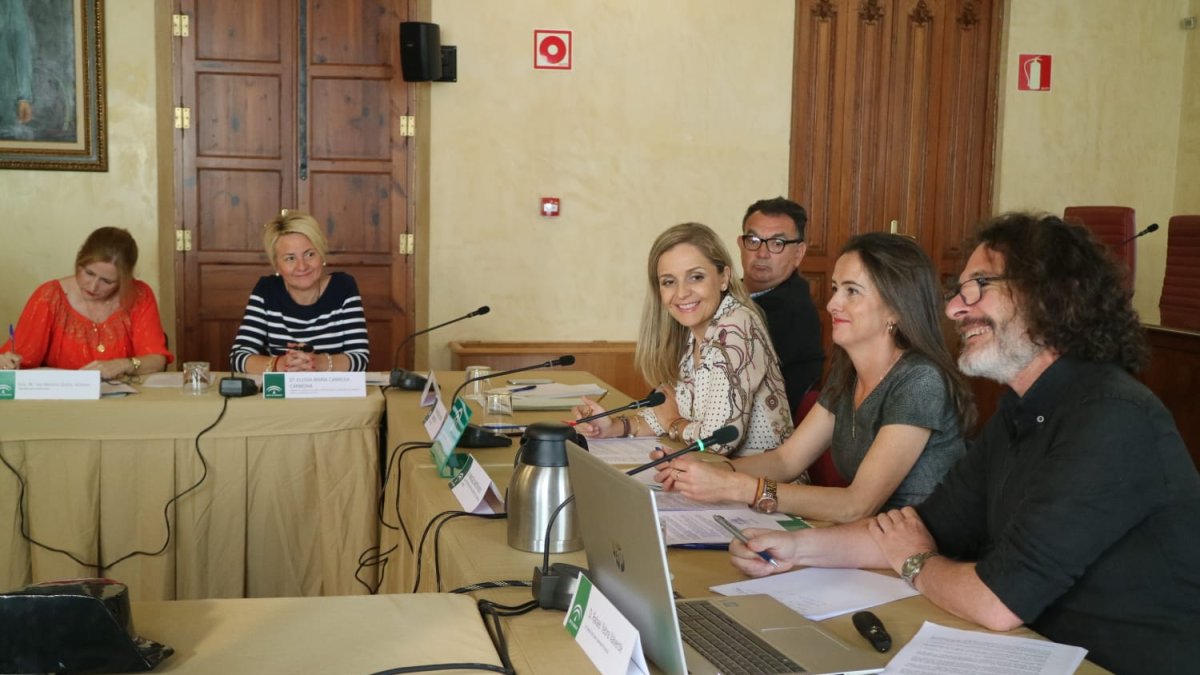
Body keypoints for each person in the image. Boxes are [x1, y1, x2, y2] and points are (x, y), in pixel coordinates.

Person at [729, 213, 1200, 675]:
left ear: (1049, 295)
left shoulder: (1110, 417)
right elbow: (920, 526)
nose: (955, 308)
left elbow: (997, 602)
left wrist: (916, 561)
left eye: (979, 286)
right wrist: (795, 549)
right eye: (960, 290)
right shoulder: (1019, 410)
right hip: (1032, 650)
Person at [658, 233, 973, 522]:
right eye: (836, 289)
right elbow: (786, 461)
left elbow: (857, 504)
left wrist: (738, 487)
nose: (833, 303)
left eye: (852, 291)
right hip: (870, 540)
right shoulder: (848, 372)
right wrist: (708, 470)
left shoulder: (920, 381)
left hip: (925, 553)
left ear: (895, 308)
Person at [572, 222, 792, 456]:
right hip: (714, 478)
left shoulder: (735, 326)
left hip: (760, 487)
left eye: (695, 277)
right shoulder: (693, 335)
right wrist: (614, 426)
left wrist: (674, 424)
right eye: (669, 282)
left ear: (724, 278)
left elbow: (717, 441)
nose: (681, 293)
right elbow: (665, 411)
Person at [0, 227, 172, 378]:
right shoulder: (49, 297)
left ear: (124, 280)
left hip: (123, 403)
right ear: (79, 262)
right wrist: (8, 363)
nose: (93, 286)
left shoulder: (139, 295)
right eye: (89, 273)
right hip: (61, 404)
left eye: (107, 281)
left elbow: (157, 359)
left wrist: (124, 365)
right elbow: (22, 357)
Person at [229, 210, 369, 373]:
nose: (302, 266)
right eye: (290, 258)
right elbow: (238, 358)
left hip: (332, 396)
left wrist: (318, 363)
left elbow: (360, 359)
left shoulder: (343, 286)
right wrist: (281, 364)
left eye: (310, 254)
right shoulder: (266, 290)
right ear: (277, 265)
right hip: (280, 395)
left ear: (321, 254)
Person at [738, 197, 824, 412]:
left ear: (799, 253)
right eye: (754, 240)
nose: (762, 253)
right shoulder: (725, 294)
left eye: (777, 243)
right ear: (741, 244)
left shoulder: (794, 312)